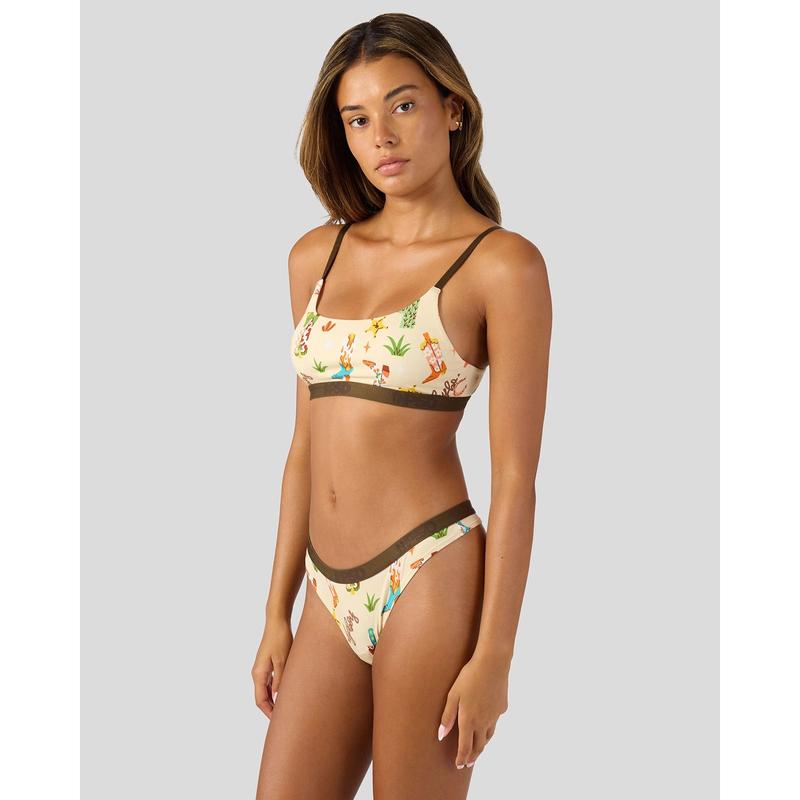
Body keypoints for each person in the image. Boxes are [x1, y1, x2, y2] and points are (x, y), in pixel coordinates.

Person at [252, 13, 552, 799]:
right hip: (325, 590)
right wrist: (277, 611)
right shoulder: (316, 256)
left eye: (403, 105)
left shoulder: (502, 267)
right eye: (357, 119)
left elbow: (515, 479)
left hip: (431, 573)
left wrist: (494, 658)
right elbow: (304, 448)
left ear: (453, 108)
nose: (380, 135)